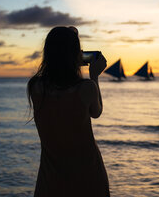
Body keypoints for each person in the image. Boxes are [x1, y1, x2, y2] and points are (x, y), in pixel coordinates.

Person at [27, 26, 110, 197]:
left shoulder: (36, 87)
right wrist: (94, 76)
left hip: (50, 179)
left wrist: (69, 47)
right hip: (88, 176)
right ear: (74, 55)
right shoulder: (86, 88)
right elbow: (96, 111)